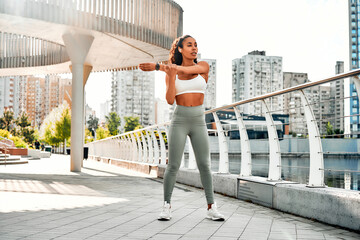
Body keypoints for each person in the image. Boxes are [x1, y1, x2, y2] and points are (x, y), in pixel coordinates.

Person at [139, 35, 225, 221]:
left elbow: (190, 68)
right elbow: (170, 100)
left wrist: (158, 67)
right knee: (173, 166)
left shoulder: (203, 66)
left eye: (195, 45)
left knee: (204, 165)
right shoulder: (172, 72)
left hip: (198, 120)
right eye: (189, 45)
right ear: (180, 49)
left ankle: (211, 207)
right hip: (180, 120)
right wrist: (169, 74)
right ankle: (166, 206)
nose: (194, 48)